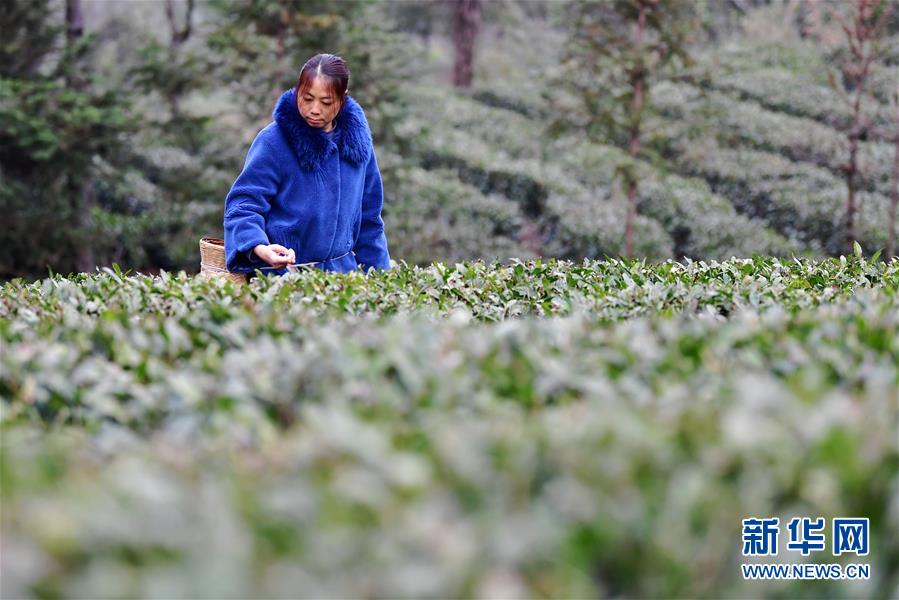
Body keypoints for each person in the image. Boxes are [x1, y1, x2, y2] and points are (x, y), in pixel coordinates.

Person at [223, 53, 391, 278]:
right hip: (283, 279)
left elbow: (370, 221)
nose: (314, 109)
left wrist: (383, 280)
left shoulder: (358, 146)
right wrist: (260, 247)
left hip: (343, 282)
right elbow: (243, 206)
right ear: (297, 91)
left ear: (342, 99)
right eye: (307, 98)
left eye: (326, 102)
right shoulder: (274, 141)